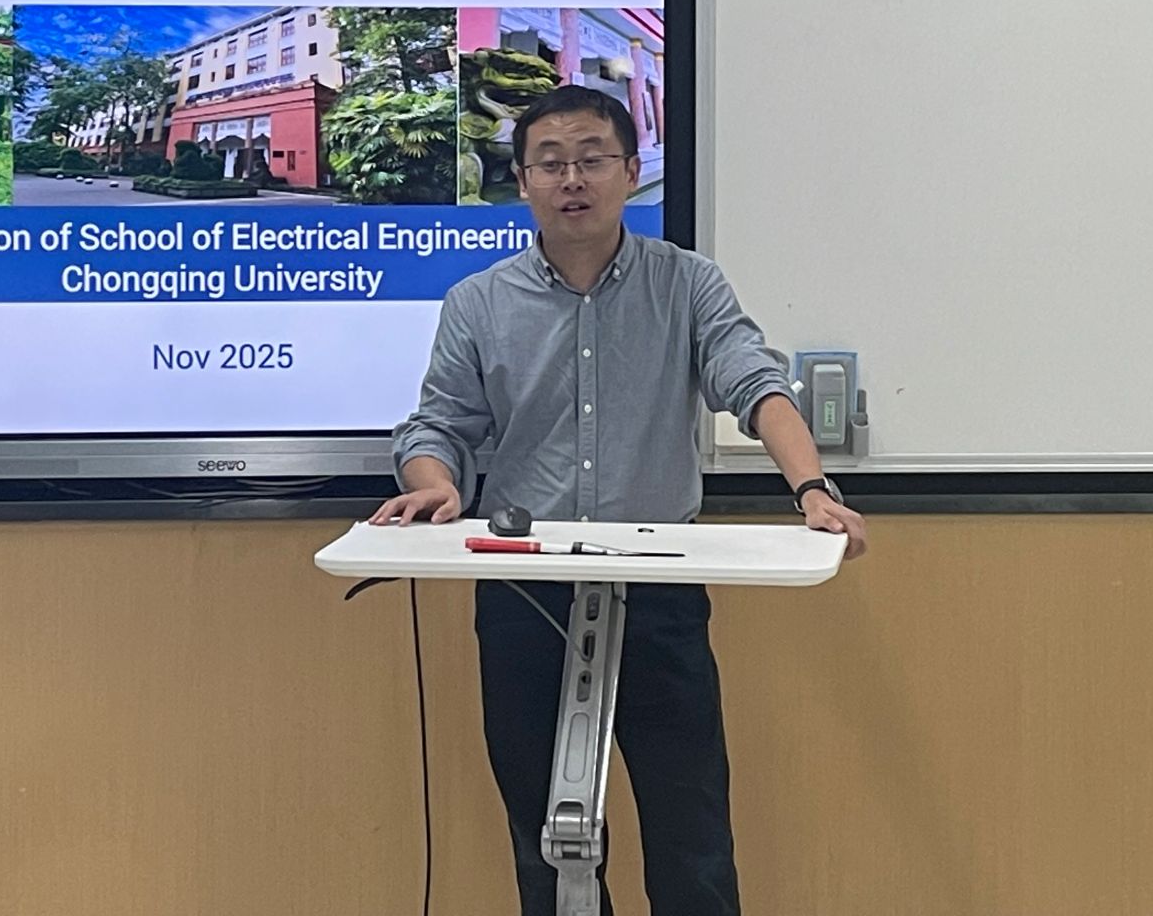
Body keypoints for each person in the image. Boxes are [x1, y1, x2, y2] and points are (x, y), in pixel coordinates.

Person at [370, 83, 867, 916]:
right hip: (525, 590)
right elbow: (437, 427)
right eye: (550, 163)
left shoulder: (688, 284)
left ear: (632, 172)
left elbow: (755, 383)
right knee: (545, 837)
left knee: (691, 831)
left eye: (592, 159)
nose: (573, 179)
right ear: (522, 181)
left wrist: (811, 490)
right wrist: (437, 484)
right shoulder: (478, 303)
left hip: (658, 589)